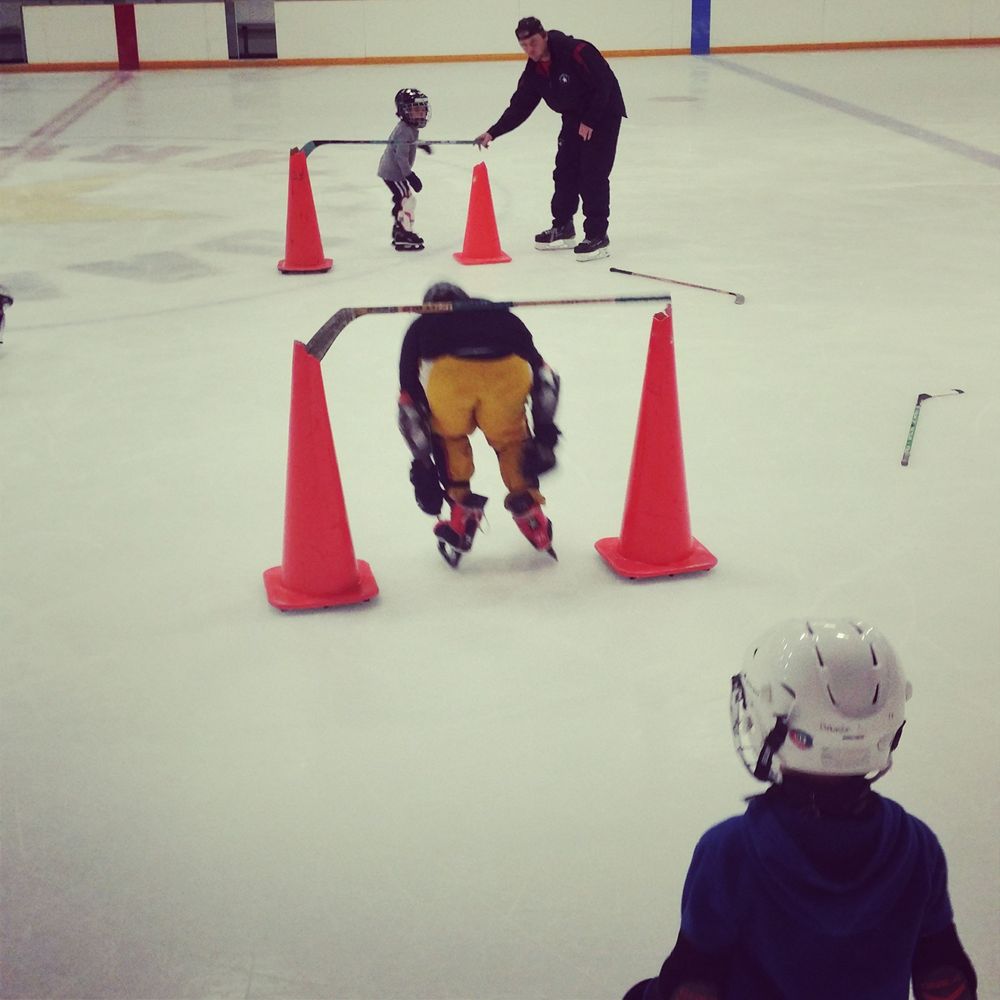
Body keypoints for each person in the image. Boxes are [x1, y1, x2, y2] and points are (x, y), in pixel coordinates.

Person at [623, 619, 978, 1000]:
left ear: (775, 726)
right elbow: (942, 968)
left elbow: (693, 980)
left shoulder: (729, 851)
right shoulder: (917, 845)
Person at [397, 282, 561, 566]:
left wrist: (423, 464)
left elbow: (408, 402)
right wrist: (545, 434)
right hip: (507, 371)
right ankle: (531, 515)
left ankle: (461, 516)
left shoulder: (421, 327)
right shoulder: (499, 314)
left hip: (448, 377)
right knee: (511, 440)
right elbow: (546, 378)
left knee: (449, 437)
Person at [474, 16, 627, 262]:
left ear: (544, 36)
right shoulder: (535, 70)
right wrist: (494, 131)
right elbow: (521, 104)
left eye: (533, 42)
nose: (530, 50)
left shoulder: (577, 51)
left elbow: (605, 84)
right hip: (574, 117)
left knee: (593, 173)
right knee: (565, 169)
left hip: (603, 114)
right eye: (524, 46)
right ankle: (564, 226)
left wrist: (590, 120)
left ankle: (597, 235)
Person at [378, 88, 432, 251]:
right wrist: (410, 176)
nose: (421, 114)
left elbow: (409, 142)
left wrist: (420, 144)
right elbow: (400, 157)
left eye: (422, 110)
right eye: (416, 110)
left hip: (394, 172)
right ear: (404, 111)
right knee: (407, 201)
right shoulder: (404, 131)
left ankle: (400, 228)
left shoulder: (409, 128)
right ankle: (403, 233)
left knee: (404, 199)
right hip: (394, 173)